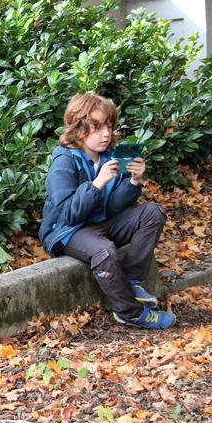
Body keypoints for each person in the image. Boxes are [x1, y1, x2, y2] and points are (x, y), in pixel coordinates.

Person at [38, 93, 176, 329]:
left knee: (153, 213)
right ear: (78, 128)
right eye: (97, 127)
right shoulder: (64, 162)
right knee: (104, 250)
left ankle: (131, 281)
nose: (105, 134)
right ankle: (129, 312)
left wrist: (133, 181)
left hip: (102, 223)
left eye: (109, 126)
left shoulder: (109, 158)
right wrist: (95, 185)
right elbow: (67, 214)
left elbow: (112, 207)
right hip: (68, 231)